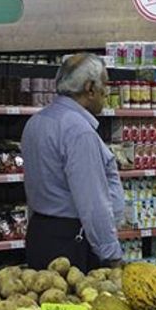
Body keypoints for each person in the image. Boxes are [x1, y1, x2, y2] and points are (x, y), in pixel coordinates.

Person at [21, 53, 125, 272]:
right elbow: (92, 201)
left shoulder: (36, 121)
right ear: (90, 88)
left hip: (40, 233)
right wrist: (112, 255)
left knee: (43, 305)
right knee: (74, 305)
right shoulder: (78, 131)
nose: (106, 93)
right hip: (71, 242)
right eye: (104, 85)